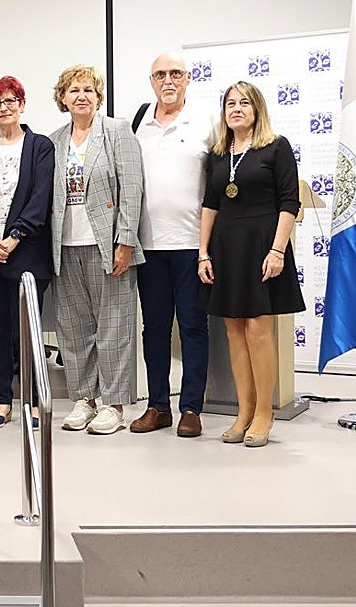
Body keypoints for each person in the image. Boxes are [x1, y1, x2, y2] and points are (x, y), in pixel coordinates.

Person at [198, 81, 304, 448]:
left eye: (244, 103)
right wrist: (203, 252)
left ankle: (264, 412)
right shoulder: (217, 154)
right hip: (226, 247)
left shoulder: (276, 147)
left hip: (262, 246)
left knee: (259, 329)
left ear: (257, 109)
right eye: (230, 103)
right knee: (233, 329)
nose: (237, 109)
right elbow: (210, 204)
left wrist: (277, 251)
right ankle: (243, 412)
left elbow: (289, 202)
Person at [49, 64, 145, 436]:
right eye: (73, 90)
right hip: (65, 245)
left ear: (98, 96)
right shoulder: (54, 141)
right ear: (63, 98)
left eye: (88, 90)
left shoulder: (117, 132)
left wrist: (126, 240)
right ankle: (84, 399)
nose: (81, 96)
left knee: (113, 328)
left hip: (108, 245)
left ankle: (114, 404)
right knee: (74, 330)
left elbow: (132, 189)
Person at [131, 52, 215, 439]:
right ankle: (158, 406)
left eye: (175, 74)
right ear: (151, 80)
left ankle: (191, 408)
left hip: (192, 245)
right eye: (160, 74)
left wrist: (210, 247)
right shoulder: (137, 122)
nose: (168, 81)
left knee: (193, 326)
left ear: (188, 78)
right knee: (154, 329)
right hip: (148, 246)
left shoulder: (207, 121)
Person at [0, 76, 54, 428]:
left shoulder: (40, 146)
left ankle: (31, 401)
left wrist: (14, 238)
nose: (4, 108)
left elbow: (40, 198)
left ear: (22, 104)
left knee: (27, 332)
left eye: (10, 101)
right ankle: (3, 400)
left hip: (27, 253)